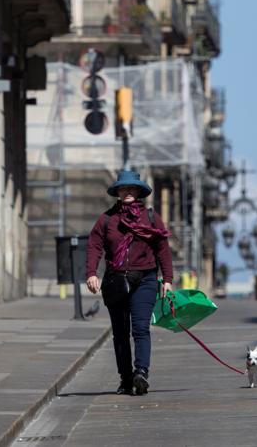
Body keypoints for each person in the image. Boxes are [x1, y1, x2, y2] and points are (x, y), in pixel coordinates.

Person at [85, 169, 175, 396]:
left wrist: (168, 280)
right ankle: (125, 378)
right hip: (116, 281)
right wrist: (91, 273)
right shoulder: (106, 219)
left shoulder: (151, 218)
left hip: (145, 279)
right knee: (120, 332)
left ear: (138, 191)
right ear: (117, 191)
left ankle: (141, 373)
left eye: (131, 188)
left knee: (141, 328)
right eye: (123, 188)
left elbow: (162, 249)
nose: (127, 191)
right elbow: (94, 246)